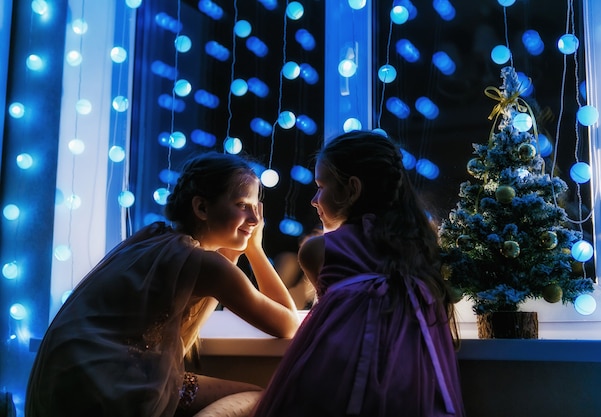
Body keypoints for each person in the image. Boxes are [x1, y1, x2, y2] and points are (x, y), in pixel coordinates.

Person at [25, 152, 300, 417]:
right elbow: (287, 324)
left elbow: (225, 269)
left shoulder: (155, 237)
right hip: (106, 384)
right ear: (201, 207)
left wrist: (241, 242)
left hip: (68, 377)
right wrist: (255, 249)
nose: (254, 220)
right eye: (242, 206)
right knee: (260, 400)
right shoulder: (203, 264)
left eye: (256, 209)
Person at [252, 130, 465, 416]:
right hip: (414, 385)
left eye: (321, 186)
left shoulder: (318, 250)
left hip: (338, 381)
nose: (315, 199)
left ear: (352, 189)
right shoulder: (424, 247)